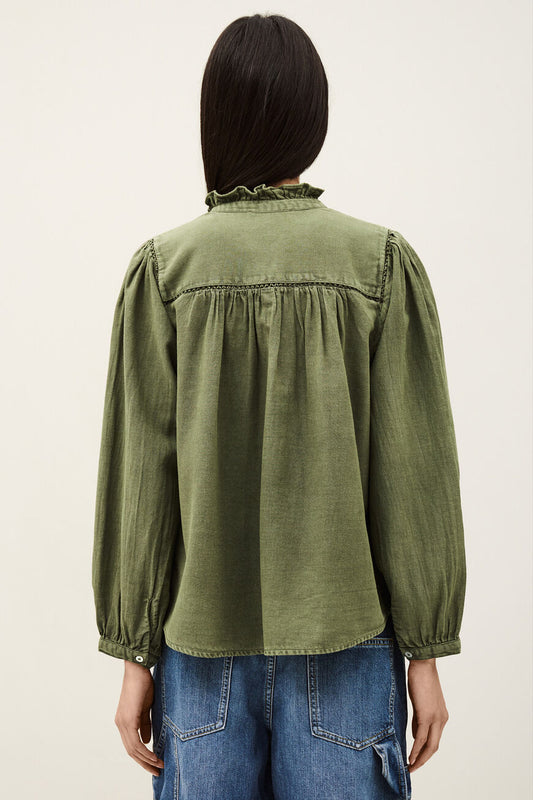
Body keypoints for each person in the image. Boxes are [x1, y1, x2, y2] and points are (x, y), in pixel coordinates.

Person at [91, 13, 467, 800]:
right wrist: (425, 652)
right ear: (311, 116)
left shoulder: (164, 270)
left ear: (216, 114)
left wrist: (133, 655)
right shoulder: (377, 264)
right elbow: (412, 472)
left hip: (200, 656)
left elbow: (140, 479)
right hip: (348, 646)